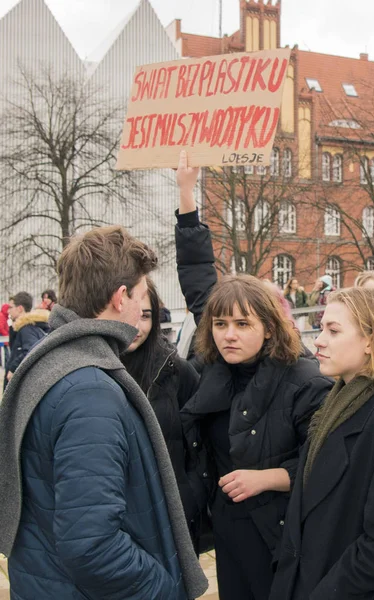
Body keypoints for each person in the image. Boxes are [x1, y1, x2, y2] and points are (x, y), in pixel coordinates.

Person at [0, 226, 207, 600]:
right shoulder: (89, 391)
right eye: (142, 298)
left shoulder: (54, 361)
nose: (144, 310)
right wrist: (163, 588)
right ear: (120, 296)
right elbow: (91, 545)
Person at [176, 151, 333, 600]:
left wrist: (265, 478)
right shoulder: (213, 366)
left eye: (243, 325)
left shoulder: (305, 378)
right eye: (221, 324)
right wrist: (186, 192)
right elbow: (198, 275)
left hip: (281, 531)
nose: (228, 334)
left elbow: (325, 463)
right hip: (227, 525)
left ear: (268, 327)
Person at [270, 287, 374, 600]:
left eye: (333, 330)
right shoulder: (337, 403)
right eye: (322, 327)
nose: (318, 339)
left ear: (371, 340)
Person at [120, 277, 203, 548]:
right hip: (116, 518)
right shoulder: (90, 371)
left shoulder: (178, 372)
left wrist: (190, 498)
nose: (137, 325)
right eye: (130, 314)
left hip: (170, 518)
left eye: (146, 316)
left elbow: (200, 447)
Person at [5, 292, 50, 382]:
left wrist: (14, 368)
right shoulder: (23, 328)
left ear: (20, 308)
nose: (8, 311)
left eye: (11, 307)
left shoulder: (27, 329)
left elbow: (31, 350)